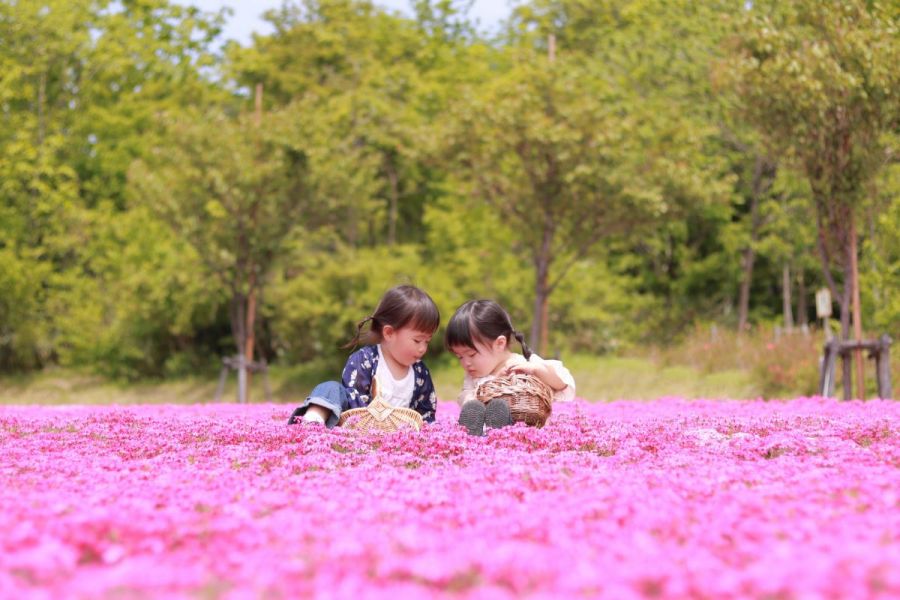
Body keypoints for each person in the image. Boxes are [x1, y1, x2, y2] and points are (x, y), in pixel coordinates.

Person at [288, 285, 440, 428]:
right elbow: (355, 405)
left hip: (396, 434)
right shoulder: (365, 360)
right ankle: (313, 421)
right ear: (389, 333)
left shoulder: (420, 372)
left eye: (427, 341)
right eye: (417, 340)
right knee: (331, 388)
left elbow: (426, 412)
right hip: (358, 427)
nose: (423, 348)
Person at [445, 299, 575, 436]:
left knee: (499, 409)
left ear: (500, 343)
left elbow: (564, 384)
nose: (466, 363)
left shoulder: (524, 363)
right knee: (476, 407)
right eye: (459, 357)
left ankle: (500, 427)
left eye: (471, 354)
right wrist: (490, 385)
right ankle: (481, 434)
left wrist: (536, 370)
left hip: (527, 431)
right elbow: (466, 402)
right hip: (484, 440)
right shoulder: (474, 377)